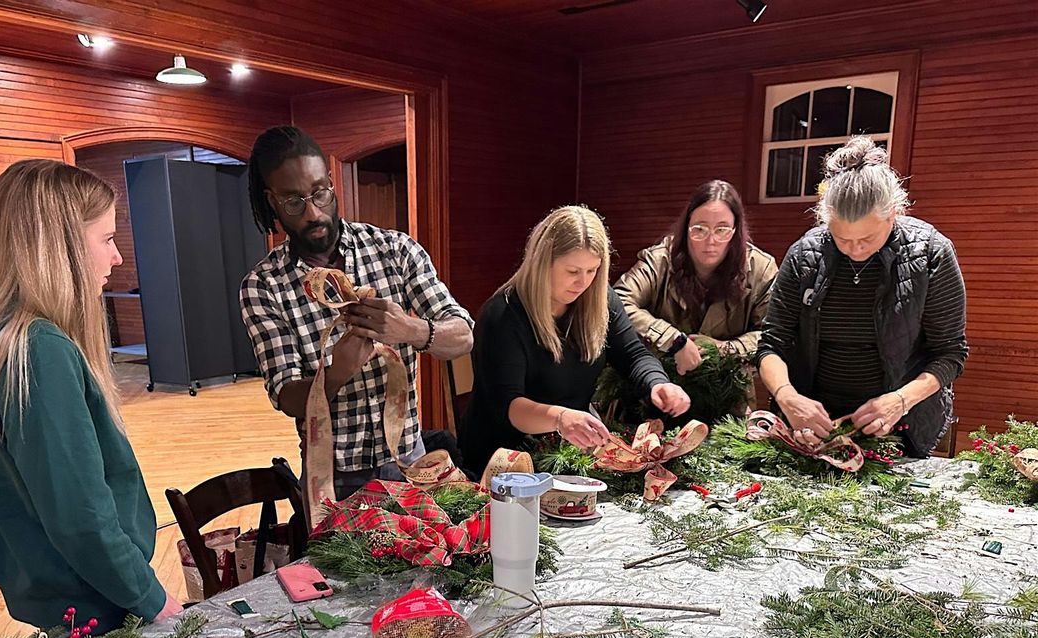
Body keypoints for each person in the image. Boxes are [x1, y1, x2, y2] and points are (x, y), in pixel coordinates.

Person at [0, 159, 182, 633]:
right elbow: (80, 513)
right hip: (98, 602)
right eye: (106, 239)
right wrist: (151, 597)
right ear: (58, 247)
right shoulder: (38, 348)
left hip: (68, 593)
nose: (116, 258)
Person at [239, 126, 473, 499]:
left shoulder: (395, 250)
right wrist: (337, 372)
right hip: (330, 474)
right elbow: (286, 396)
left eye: (320, 192)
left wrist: (410, 329)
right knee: (338, 559)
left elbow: (462, 336)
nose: (314, 212)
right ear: (271, 201)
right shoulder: (263, 286)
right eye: (294, 202)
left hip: (408, 460)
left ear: (332, 183)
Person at [757, 136, 969, 457]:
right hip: (812, 427)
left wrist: (901, 400)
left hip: (898, 425)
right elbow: (772, 344)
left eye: (868, 238)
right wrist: (787, 396)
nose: (855, 249)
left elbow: (950, 353)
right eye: (841, 238)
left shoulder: (931, 253)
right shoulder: (805, 254)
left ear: (894, 213)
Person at [458, 206, 690, 477]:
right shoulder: (503, 316)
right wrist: (560, 418)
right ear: (542, 263)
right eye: (572, 271)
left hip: (570, 453)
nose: (583, 282)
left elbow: (634, 355)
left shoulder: (600, 300)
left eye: (592, 270)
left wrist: (657, 382)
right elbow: (509, 407)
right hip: (501, 461)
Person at [614, 180, 778, 376]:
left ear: (735, 231)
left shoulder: (761, 268)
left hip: (727, 383)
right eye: (699, 229)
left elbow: (772, 333)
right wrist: (673, 340)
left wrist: (725, 349)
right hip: (658, 379)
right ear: (686, 228)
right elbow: (618, 301)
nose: (711, 241)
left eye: (722, 230)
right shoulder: (660, 259)